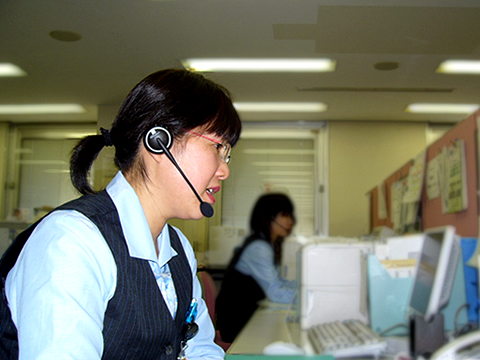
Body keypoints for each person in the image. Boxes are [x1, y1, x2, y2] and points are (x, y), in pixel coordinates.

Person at [0, 69, 241, 359]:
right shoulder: (71, 242)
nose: (225, 170)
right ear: (158, 140)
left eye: (227, 154)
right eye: (217, 147)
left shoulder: (178, 248)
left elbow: (201, 349)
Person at [215, 193, 297, 343]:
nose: (290, 221)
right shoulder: (258, 248)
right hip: (237, 323)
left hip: (247, 316)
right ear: (270, 218)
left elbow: (278, 282)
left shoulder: (266, 244)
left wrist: (304, 288)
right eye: (285, 216)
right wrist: (311, 299)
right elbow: (275, 292)